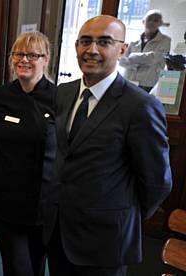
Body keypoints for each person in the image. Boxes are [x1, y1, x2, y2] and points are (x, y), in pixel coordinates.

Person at [44, 15, 172, 276]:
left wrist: (123, 215)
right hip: (59, 230)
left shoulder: (140, 106)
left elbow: (157, 181)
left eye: (104, 42)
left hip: (106, 240)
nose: (92, 50)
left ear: (123, 49)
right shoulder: (63, 93)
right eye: (85, 41)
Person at [0, 31, 56, 276]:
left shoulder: (60, 98)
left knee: (37, 265)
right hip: (6, 199)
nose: (24, 59)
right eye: (19, 54)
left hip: (45, 202)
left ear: (46, 59)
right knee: (17, 268)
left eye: (33, 55)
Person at [119, 9, 171, 92]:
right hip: (128, 81)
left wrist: (132, 57)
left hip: (147, 84)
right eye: (149, 19)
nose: (151, 23)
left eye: (155, 20)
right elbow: (121, 60)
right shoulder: (134, 39)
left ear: (160, 23)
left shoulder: (165, 40)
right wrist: (134, 65)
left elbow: (154, 58)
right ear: (143, 21)